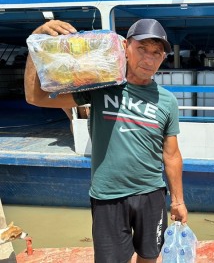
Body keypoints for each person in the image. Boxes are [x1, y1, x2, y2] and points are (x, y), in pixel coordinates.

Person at [24, 19, 188, 263]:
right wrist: (36, 44)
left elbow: (171, 154)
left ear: (163, 57)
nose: (149, 59)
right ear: (125, 47)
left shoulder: (167, 101)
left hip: (151, 193)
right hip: (108, 195)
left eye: (157, 52)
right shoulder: (101, 87)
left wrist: (178, 201)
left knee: (150, 255)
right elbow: (36, 97)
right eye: (142, 49)